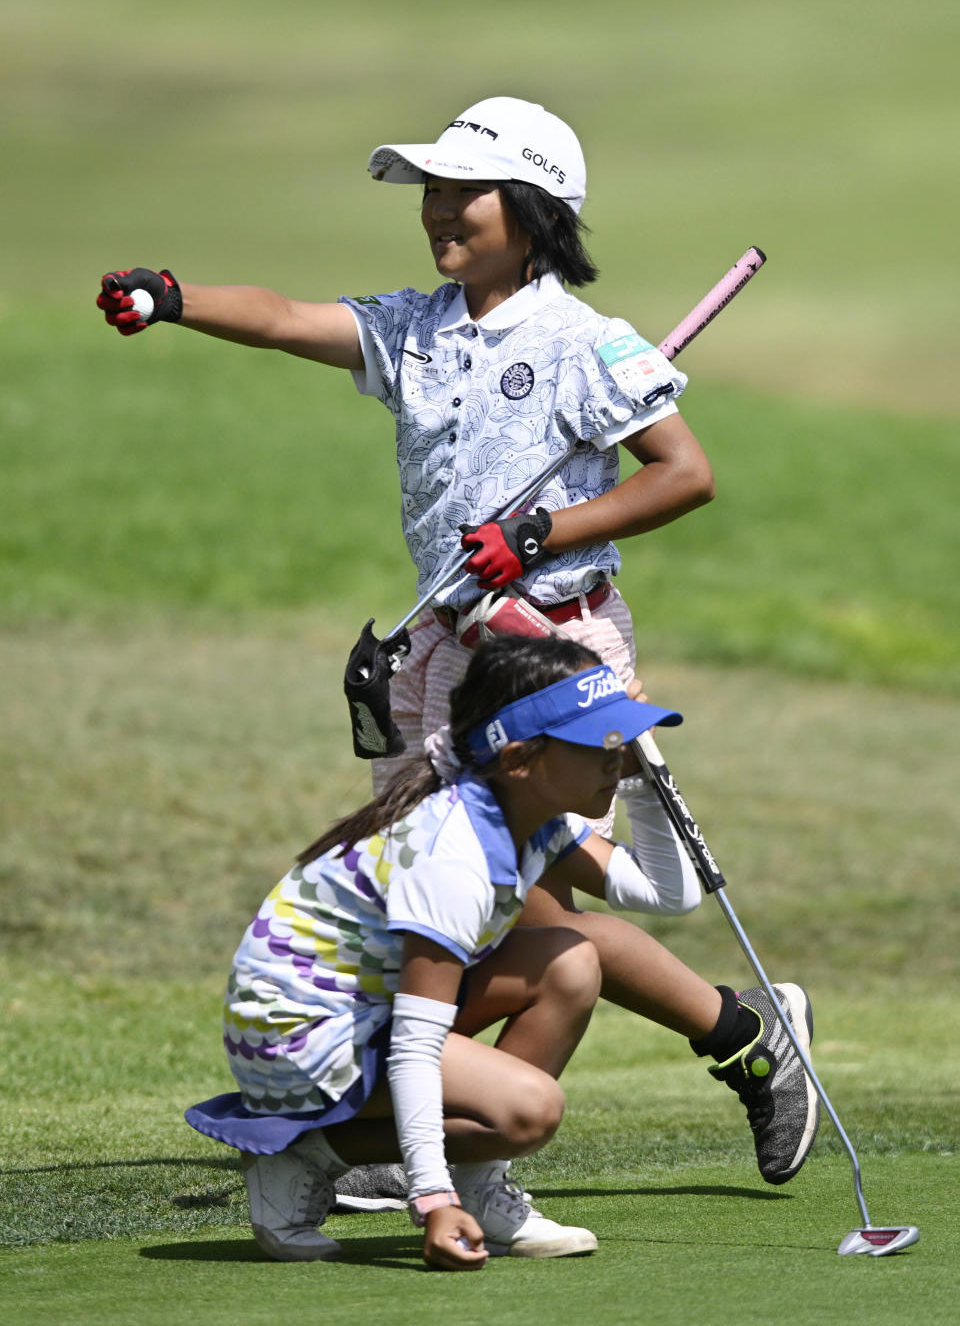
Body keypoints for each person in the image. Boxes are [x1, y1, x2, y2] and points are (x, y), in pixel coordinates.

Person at [97, 95, 819, 1199]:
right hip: (444, 646)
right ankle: (690, 1050)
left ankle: (642, 1079)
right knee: (462, 898)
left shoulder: (588, 345)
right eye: (431, 190)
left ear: (529, 210)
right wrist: (174, 296)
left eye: (462, 190)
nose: (438, 209)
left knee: (523, 901)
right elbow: (289, 317)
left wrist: (541, 530)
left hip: (552, 648)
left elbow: (685, 474)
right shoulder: (412, 328)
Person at [185, 635, 703, 1267]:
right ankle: (309, 1153)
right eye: (600, 743)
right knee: (529, 1111)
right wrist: (433, 1200)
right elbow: (414, 1046)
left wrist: (649, 774)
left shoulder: (528, 814)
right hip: (296, 1038)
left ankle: (478, 1185)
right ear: (519, 758)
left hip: (362, 1013)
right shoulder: (452, 855)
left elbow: (669, 891)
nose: (613, 758)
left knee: (571, 958)